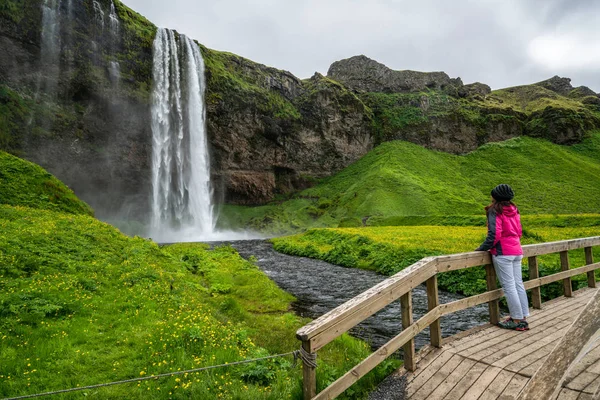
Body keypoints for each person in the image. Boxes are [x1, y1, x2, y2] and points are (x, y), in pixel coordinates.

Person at [475, 184, 529, 331]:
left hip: (503, 252)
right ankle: (522, 317)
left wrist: (482, 248)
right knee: (518, 284)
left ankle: (517, 321)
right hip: (517, 250)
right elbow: (519, 231)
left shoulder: (494, 210)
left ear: (495, 197)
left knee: (509, 286)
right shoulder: (514, 209)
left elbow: (495, 234)